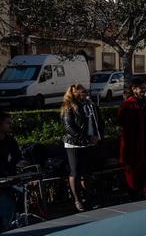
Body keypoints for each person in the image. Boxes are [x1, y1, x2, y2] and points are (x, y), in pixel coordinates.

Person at [61, 83, 102, 212]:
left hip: (89, 142)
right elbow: (69, 127)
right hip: (74, 143)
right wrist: (84, 139)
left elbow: (99, 121)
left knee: (87, 171)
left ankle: (88, 198)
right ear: (75, 94)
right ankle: (77, 199)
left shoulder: (90, 105)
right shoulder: (69, 107)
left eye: (85, 91)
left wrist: (98, 136)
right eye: (82, 92)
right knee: (75, 171)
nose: (86, 93)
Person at [118, 78, 146, 200]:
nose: (143, 90)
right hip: (133, 143)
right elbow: (122, 123)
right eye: (140, 88)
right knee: (134, 168)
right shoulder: (128, 105)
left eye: (143, 88)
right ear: (133, 89)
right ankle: (134, 191)